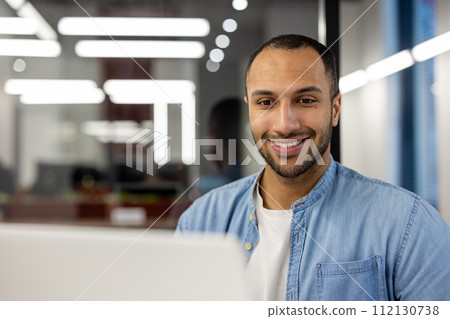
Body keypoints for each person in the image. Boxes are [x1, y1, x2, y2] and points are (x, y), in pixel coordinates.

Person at [176, 34, 450, 301]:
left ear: (334, 108)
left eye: (305, 100)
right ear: (250, 110)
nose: (285, 125)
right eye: (266, 102)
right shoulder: (200, 222)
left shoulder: (408, 225)